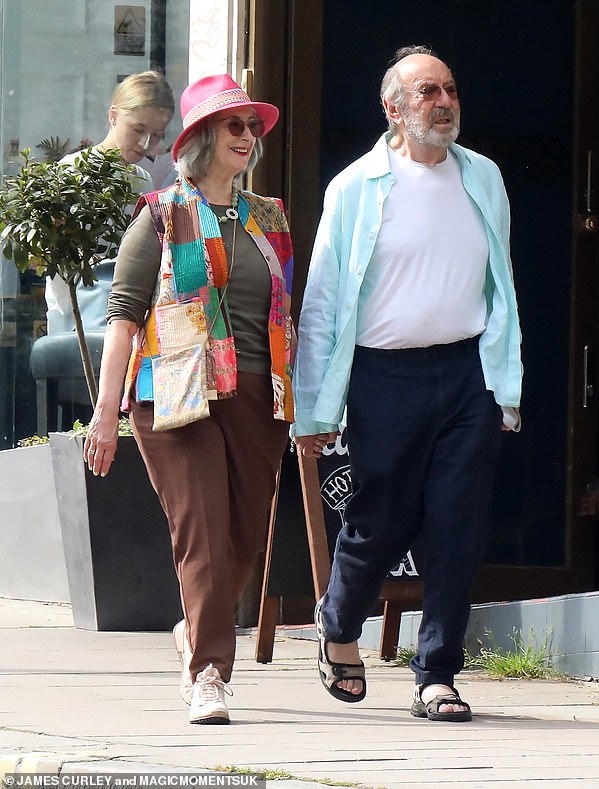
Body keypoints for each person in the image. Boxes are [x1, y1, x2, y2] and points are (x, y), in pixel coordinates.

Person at [293, 45, 522, 722]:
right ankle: (337, 620)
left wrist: (503, 383)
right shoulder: (355, 187)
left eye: (449, 88)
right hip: (383, 373)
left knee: (458, 522)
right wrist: (313, 406)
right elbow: (324, 299)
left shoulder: (484, 176)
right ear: (392, 108)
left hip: (466, 373)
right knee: (381, 518)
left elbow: (501, 285)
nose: (443, 101)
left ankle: (437, 673)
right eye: (427, 91)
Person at [83, 74, 295, 726]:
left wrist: (308, 403)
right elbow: (122, 318)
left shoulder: (270, 217)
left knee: (245, 535)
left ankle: (194, 630)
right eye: (233, 125)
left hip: (258, 395)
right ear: (201, 137)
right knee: (201, 530)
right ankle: (208, 671)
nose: (247, 136)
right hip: (176, 395)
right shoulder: (160, 213)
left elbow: (291, 312)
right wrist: (105, 411)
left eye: (252, 126)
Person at [45, 71, 175, 334]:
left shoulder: (142, 180)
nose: (145, 143)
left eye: (157, 135)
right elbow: (56, 257)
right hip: (76, 320)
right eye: (138, 129)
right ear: (113, 115)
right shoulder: (72, 171)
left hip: (125, 320)